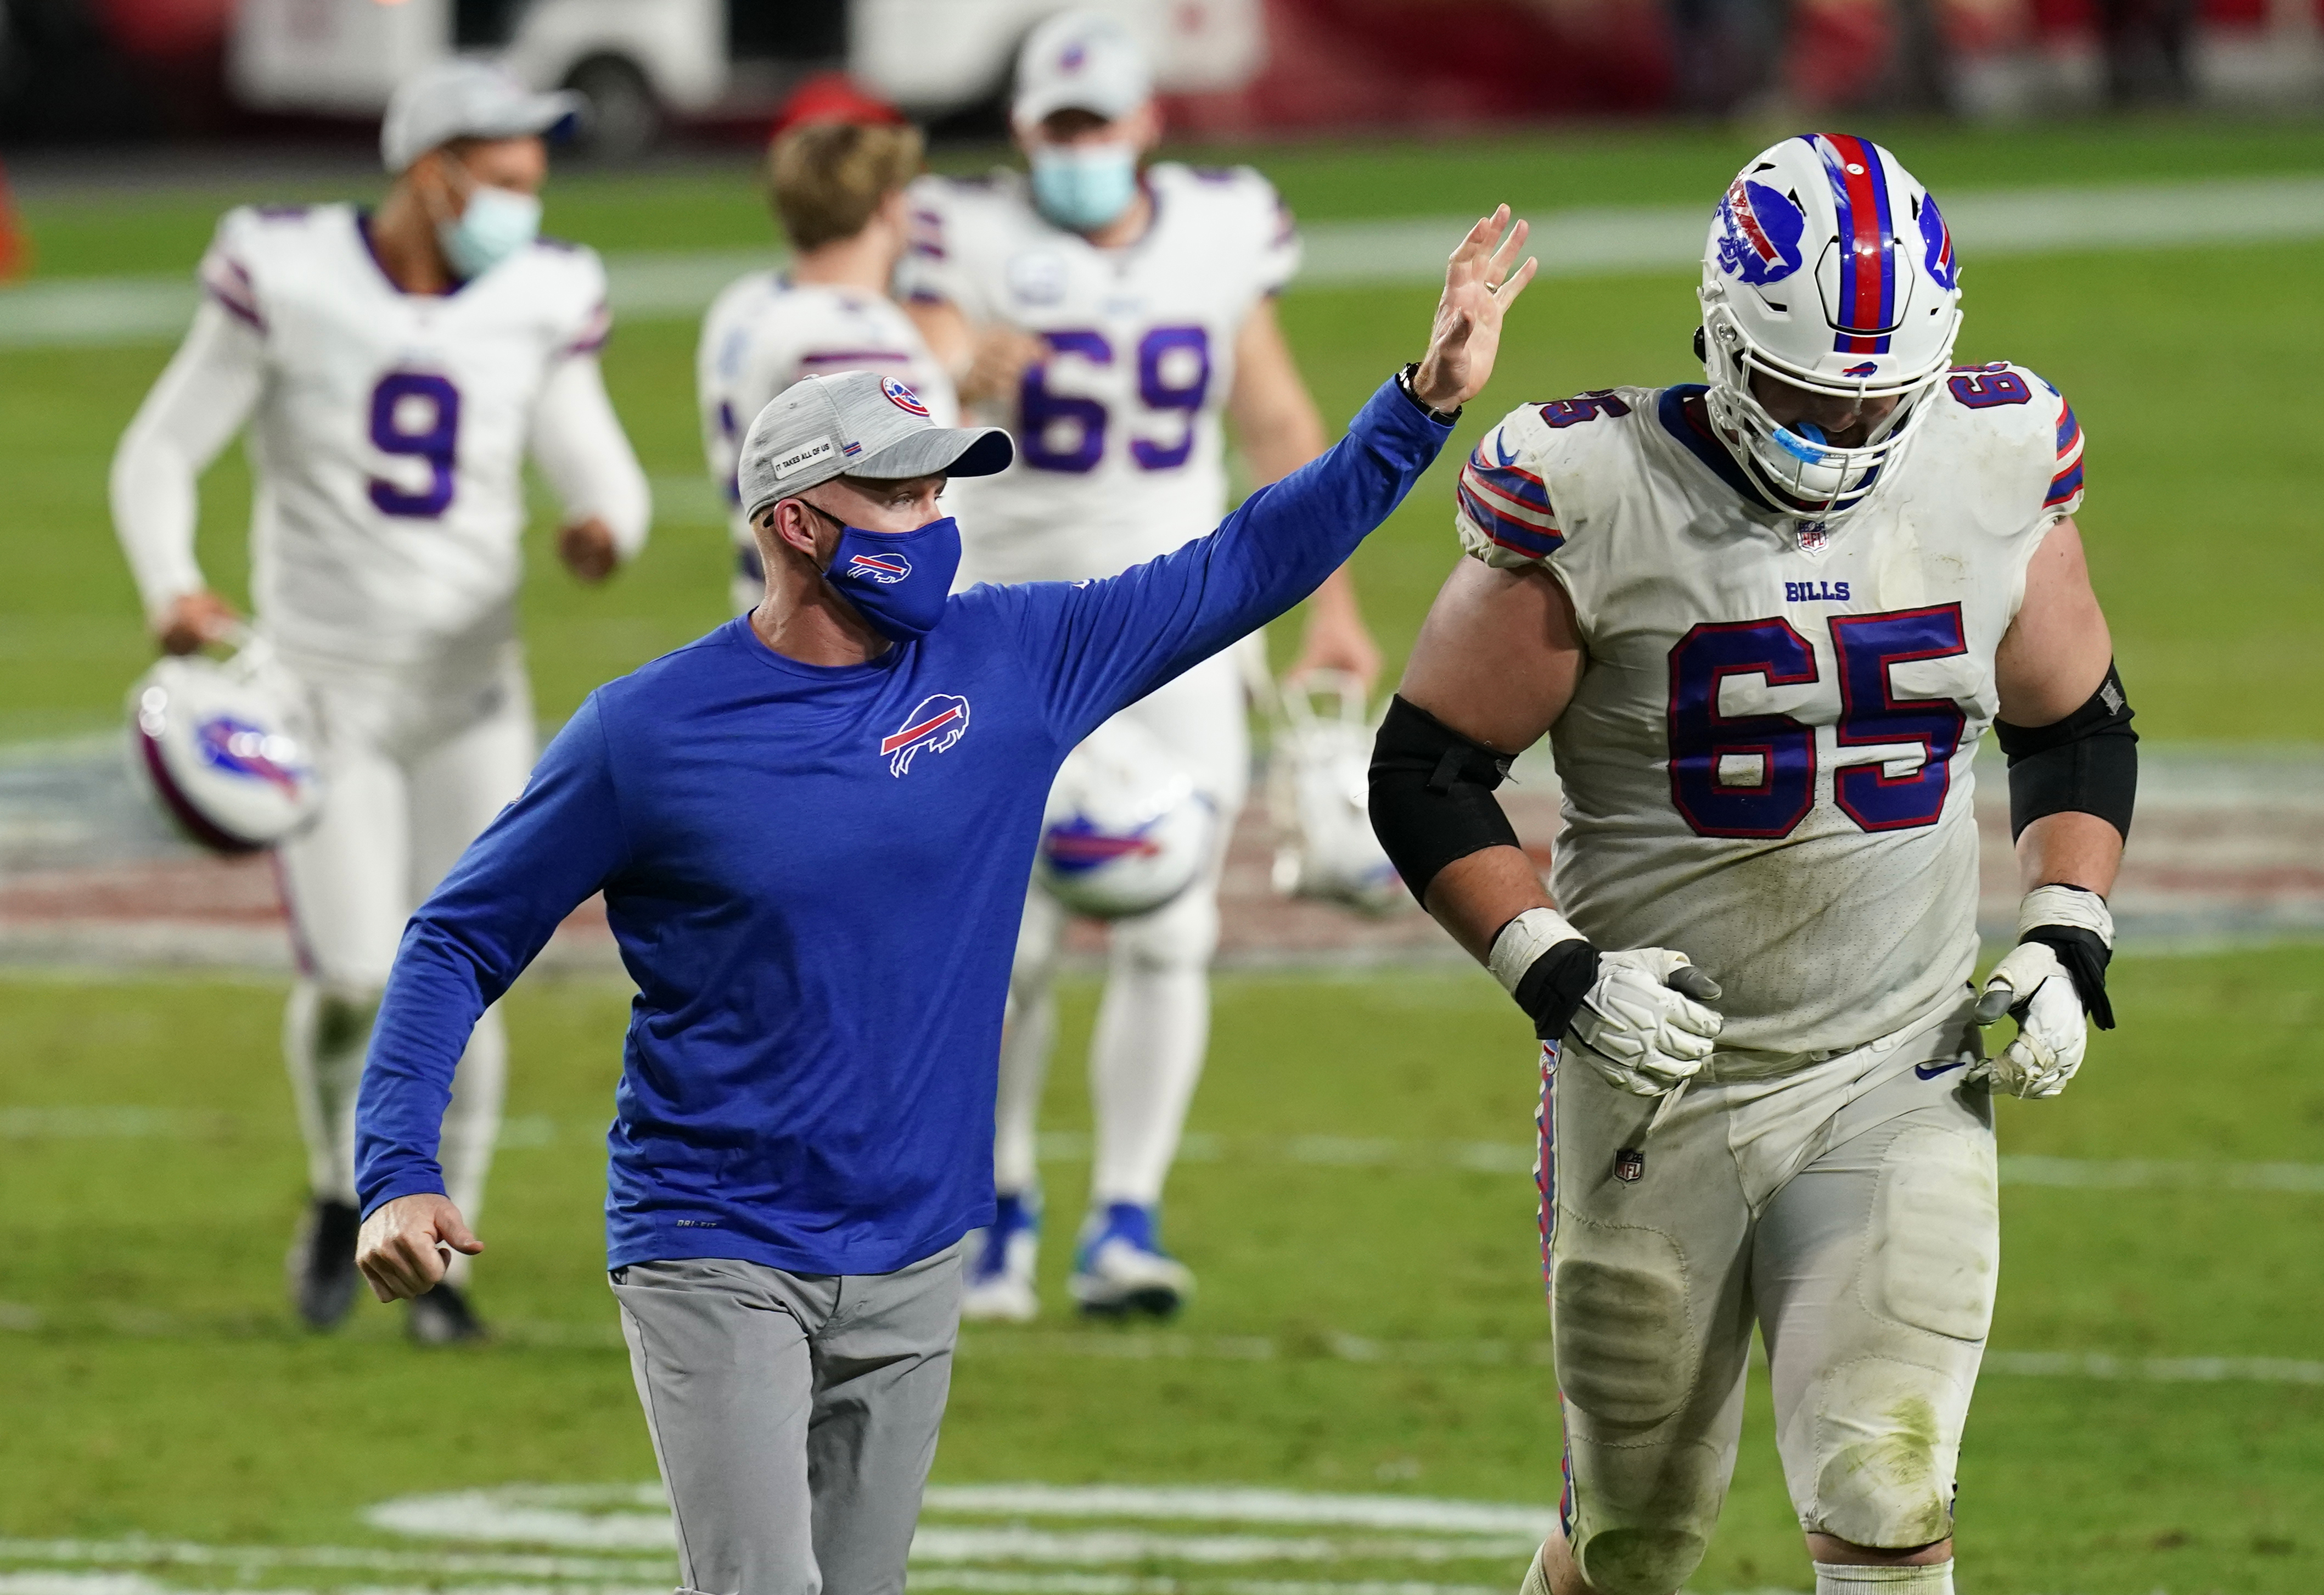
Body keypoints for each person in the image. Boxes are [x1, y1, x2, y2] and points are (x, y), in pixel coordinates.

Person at [353, 214, 1533, 1595]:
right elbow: (458, 935)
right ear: (796, 523)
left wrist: (1423, 404)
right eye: (899, 496)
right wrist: (399, 1170)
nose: (933, 523)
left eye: (940, 491)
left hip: (916, 1242)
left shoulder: (1015, 656)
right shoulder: (649, 733)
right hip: (715, 1237)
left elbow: (1244, 562)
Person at [1368, 137, 2131, 1595]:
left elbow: (2072, 725)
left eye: (1872, 400)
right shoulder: (1588, 485)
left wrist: (2060, 931)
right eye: (1796, 394)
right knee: (1633, 1541)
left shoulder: (1992, 457)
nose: (1835, 438)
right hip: (1658, 1077)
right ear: (1718, 335)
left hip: (1893, 1060)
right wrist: (1558, 973)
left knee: (1886, 1487)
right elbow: (1426, 770)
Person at [108, 59, 651, 1345]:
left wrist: (604, 528)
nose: (527, 201)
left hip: (471, 693)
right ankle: (331, 1187)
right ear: (431, 170)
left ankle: (443, 1266)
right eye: (505, 176)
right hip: (319, 692)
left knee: (469, 980)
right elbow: (160, 447)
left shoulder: (542, 292)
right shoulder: (289, 272)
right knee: (357, 974)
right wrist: (172, 584)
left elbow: (598, 463)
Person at [901, 7, 1383, 1322]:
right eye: (1056, 127)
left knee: (1173, 922)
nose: (1077, 149)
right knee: (1011, 939)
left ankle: (1125, 1219)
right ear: (1021, 132)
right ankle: (991, 1215)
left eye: (1096, 124)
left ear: (1144, 124)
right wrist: (957, 361)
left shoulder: (1220, 227)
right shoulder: (969, 234)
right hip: (1008, 619)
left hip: (1179, 620)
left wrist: (1327, 603)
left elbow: (1274, 415)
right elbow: (915, 357)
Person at [697, 84, 1042, 614]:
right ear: (888, 205)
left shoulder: (744, 304)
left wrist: (954, 389)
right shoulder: (857, 337)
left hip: (772, 600)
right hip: (848, 623)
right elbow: (882, 500)